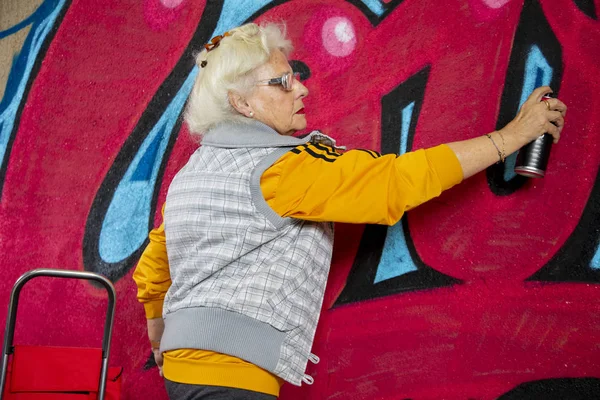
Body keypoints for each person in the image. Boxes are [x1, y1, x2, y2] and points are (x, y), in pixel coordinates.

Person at [132, 22, 566, 400]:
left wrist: (159, 333)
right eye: (282, 82)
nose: (301, 87)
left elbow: (155, 264)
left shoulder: (194, 172)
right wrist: (510, 138)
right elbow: (395, 182)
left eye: (294, 76)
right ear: (242, 103)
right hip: (234, 375)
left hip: (184, 370)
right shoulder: (283, 170)